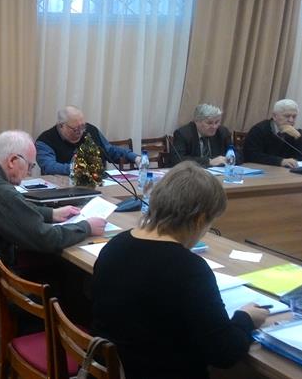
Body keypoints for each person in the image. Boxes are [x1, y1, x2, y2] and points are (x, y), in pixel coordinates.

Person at [0, 130, 106, 378]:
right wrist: (86, 227)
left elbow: (14, 208)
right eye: (29, 165)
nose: (29, 172)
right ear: (12, 161)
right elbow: (45, 239)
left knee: (50, 275)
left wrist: (52, 214)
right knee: (62, 292)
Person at [91, 162, 269, 378]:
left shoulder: (115, 245)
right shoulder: (188, 268)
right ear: (199, 220)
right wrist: (246, 318)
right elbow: (224, 353)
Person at [36, 105, 139, 175]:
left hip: (97, 185)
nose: (81, 132)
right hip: (63, 190)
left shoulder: (91, 131)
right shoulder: (45, 141)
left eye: (82, 127)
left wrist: (135, 158)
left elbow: (110, 150)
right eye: (76, 129)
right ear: (61, 125)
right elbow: (49, 167)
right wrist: (77, 168)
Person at [243, 99, 302, 168]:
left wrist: (299, 138)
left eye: (294, 116)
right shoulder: (259, 130)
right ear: (274, 116)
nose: (291, 120)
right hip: (263, 170)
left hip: (286, 172)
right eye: (287, 116)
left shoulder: (294, 132)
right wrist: (280, 161)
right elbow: (251, 155)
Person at [171, 103, 238, 167]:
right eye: (209, 123)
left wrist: (228, 159)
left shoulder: (222, 132)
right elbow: (178, 159)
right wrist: (209, 161)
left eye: (217, 122)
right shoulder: (183, 134)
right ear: (196, 121)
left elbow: (237, 154)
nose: (214, 127)